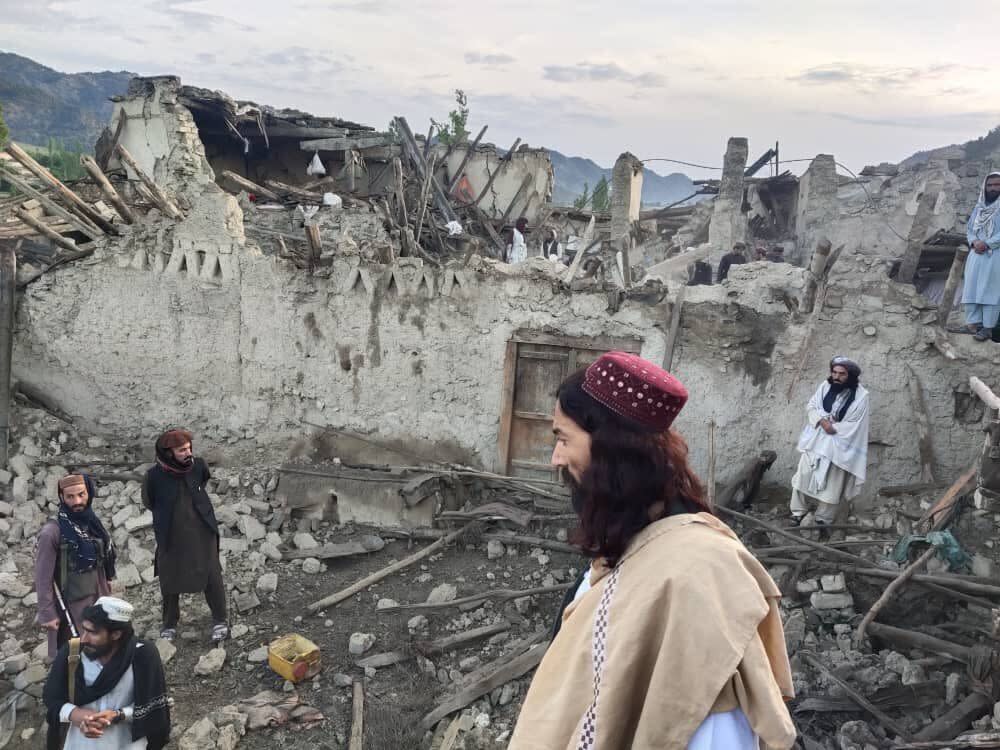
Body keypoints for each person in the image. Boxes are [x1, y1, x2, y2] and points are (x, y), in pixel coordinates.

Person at [509, 352, 796, 750]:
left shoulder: (695, 577)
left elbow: (709, 728)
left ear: (611, 449)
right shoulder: (638, 542)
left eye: (562, 438)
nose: (555, 458)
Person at [43, 596, 170, 750]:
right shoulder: (72, 653)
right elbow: (52, 698)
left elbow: (153, 707)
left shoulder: (142, 655)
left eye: (93, 633)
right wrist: (78, 715)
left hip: (126, 744)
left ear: (115, 635)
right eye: (84, 630)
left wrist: (117, 715)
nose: (84, 639)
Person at [142, 429, 228, 642]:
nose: (187, 453)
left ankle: (220, 620)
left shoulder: (198, 466)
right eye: (181, 450)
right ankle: (170, 623)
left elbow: (203, 481)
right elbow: (149, 501)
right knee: (169, 577)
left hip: (202, 531)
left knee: (211, 574)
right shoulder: (153, 476)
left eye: (189, 448)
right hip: (171, 534)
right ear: (168, 453)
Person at [35, 474, 116, 660]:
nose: (77, 501)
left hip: (98, 595)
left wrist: (107, 584)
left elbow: (103, 558)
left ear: (89, 493)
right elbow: (42, 577)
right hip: (70, 604)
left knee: (101, 647)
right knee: (73, 654)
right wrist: (47, 613)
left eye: (81, 494)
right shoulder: (52, 532)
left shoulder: (92, 524)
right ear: (62, 497)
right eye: (70, 497)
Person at [790, 356, 870, 527]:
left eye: (842, 374)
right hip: (816, 440)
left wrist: (834, 428)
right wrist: (822, 420)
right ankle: (797, 512)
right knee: (802, 476)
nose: (836, 377)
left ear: (851, 376)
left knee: (832, 485)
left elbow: (855, 424)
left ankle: (823, 520)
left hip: (839, 446)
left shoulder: (861, 397)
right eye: (834, 372)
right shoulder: (825, 386)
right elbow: (812, 406)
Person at [960, 172, 1000, 341]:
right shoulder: (979, 208)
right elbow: (970, 230)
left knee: (990, 291)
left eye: (997, 185)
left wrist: (988, 243)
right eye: (989, 185)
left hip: (994, 254)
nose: (993, 188)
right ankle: (972, 324)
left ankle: (987, 328)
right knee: (972, 288)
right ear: (985, 186)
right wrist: (974, 242)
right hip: (976, 254)